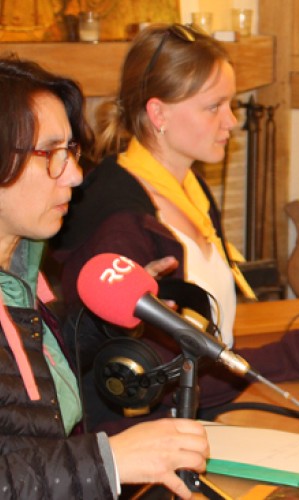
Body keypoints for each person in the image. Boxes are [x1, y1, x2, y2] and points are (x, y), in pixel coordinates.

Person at [50, 24, 299, 433]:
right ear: (158, 113)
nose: (230, 121)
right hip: (147, 440)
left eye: (230, 104)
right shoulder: (119, 226)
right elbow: (157, 381)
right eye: (214, 107)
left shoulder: (188, 187)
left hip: (202, 414)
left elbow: (213, 345)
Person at [0, 54, 209, 499]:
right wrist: (108, 460)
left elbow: (26, 405)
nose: (74, 176)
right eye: (50, 154)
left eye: (71, 151)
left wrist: (113, 317)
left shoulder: (20, 271)